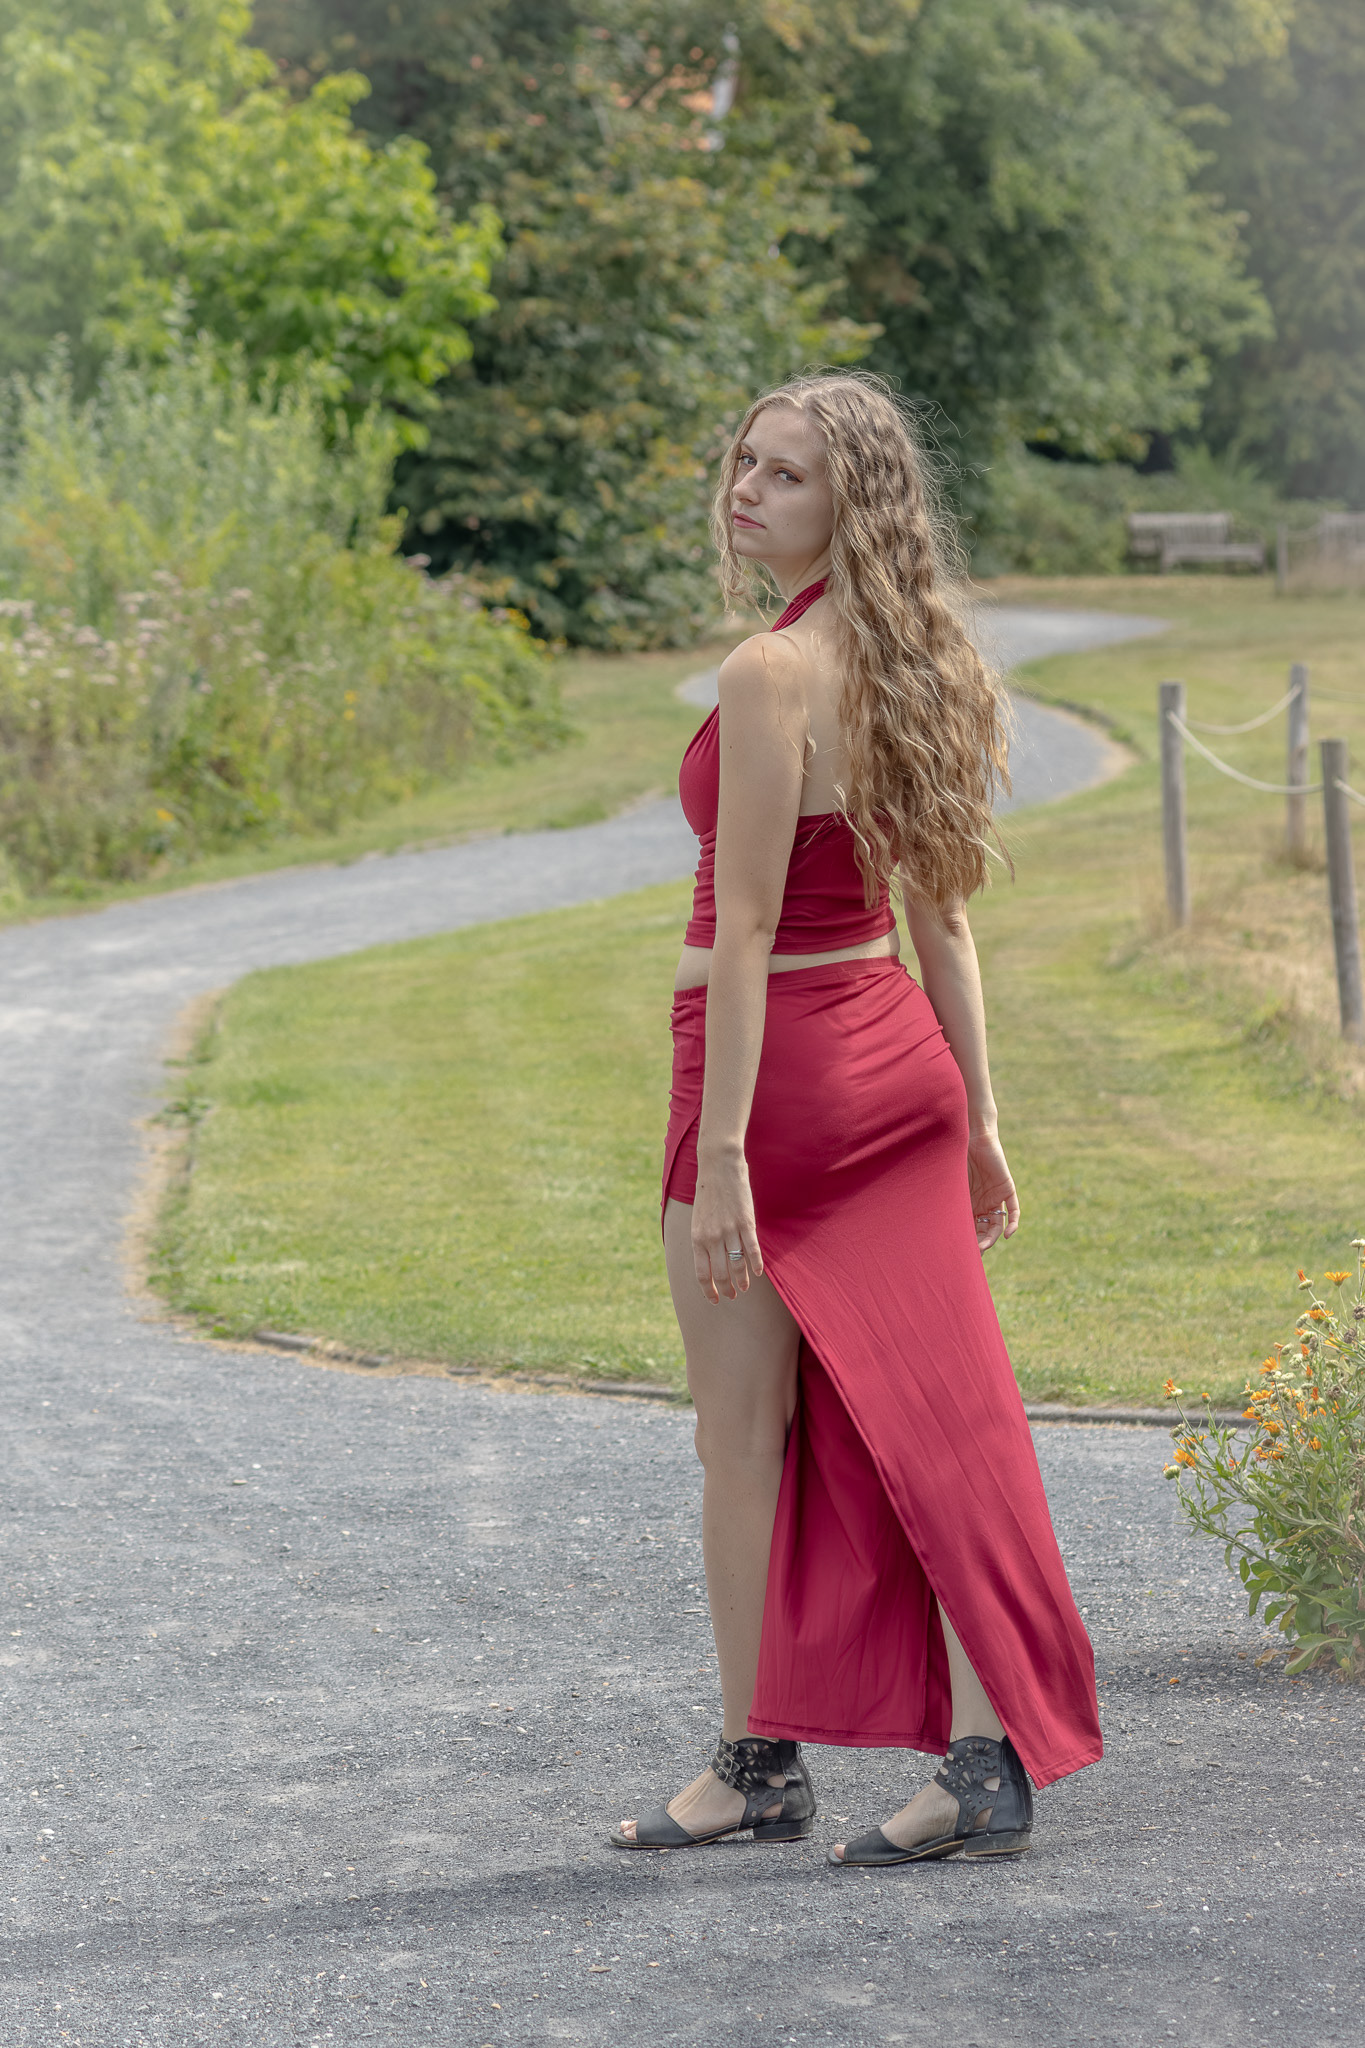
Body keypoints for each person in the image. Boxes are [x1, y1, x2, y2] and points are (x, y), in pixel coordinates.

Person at [610, 371, 1101, 1866]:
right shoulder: (918, 656)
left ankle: (758, 1761)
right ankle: (983, 1758)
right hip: (897, 1064)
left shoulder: (767, 674)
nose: (743, 489)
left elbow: (745, 929)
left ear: (847, 504)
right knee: (934, 1422)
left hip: (779, 1081)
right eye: (742, 463)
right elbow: (943, 923)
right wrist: (980, 1121)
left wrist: (722, 1160)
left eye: (783, 475)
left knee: (740, 1438)